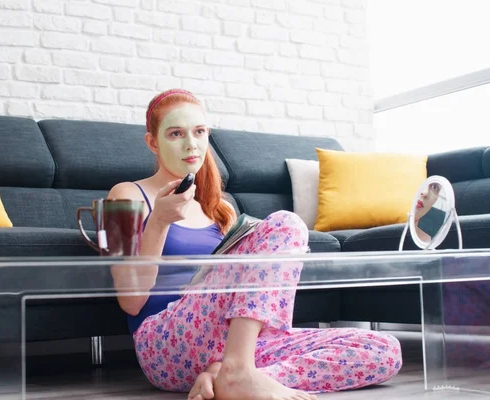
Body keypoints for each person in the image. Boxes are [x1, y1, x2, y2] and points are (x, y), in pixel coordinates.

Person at [107, 89, 402, 400]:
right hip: (164, 344)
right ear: (153, 142)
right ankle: (237, 372)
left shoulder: (221, 208)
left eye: (199, 132)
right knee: (286, 224)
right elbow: (131, 302)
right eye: (176, 133)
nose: (191, 144)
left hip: (234, 347)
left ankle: (229, 375)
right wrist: (159, 221)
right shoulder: (122, 196)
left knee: (384, 350)